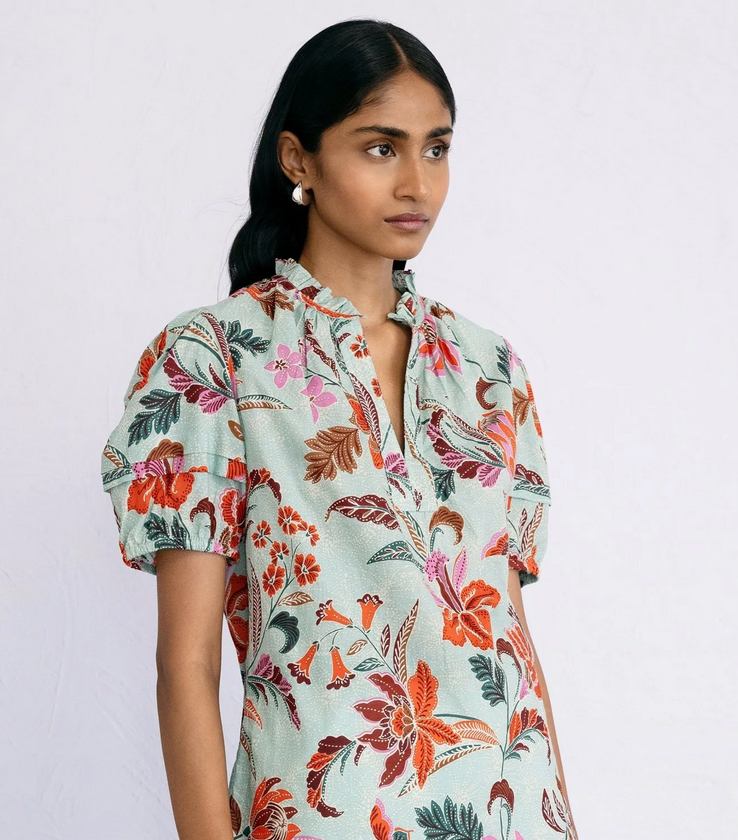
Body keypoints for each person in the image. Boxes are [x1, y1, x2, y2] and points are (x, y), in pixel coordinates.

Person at [100, 18, 579, 840]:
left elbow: (510, 644)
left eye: (436, 149)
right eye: (381, 148)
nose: (417, 184)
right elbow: (185, 664)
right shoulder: (216, 358)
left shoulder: (488, 369)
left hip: (514, 813)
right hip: (325, 814)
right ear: (299, 160)